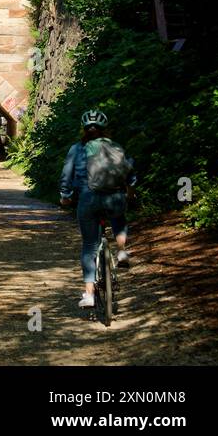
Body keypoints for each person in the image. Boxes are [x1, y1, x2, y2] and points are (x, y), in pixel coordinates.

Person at [60, 109, 134, 309]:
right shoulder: (116, 147)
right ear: (105, 129)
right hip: (115, 196)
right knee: (118, 218)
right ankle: (121, 252)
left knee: (89, 245)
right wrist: (130, 190)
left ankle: (90, 294)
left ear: (84, 129)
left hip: (88, 198)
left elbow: (66, 175)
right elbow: (130, 172)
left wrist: (65, 196)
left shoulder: (77, 149)